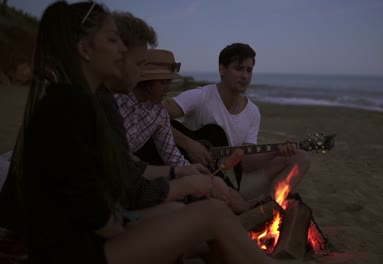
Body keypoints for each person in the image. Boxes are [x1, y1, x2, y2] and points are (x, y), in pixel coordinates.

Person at [0, 2, 271, 263]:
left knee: (192, 223)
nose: (121, 50)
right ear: (84, 49)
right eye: (113, 40)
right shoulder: (77, 105)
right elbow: (121, 195)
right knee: (211, 214)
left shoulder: (90, 99)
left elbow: (124, 170)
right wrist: (182, 190)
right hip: (74, 251)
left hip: (83, 234)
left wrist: (182, 173)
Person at [100, 12, 220, 211]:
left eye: (170, 82)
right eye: (164, 82)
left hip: (126, 177)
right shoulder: (112, 100)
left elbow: (170, 154)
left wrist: (191, 172)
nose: (169, 88)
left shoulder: (159, 113)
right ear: (146, 81)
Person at [165, 42, 311, 204]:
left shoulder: (252, 111)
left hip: (236, 180)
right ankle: (246, 209)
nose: (245, 76)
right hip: (199, 177)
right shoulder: (201, 96)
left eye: (249, 70)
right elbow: (156, 113)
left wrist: (276, 151)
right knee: (233, 200)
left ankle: (269, 209)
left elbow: (247, 163)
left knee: (301, 157)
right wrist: (188, 144)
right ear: (222, 69)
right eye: (239, 69)